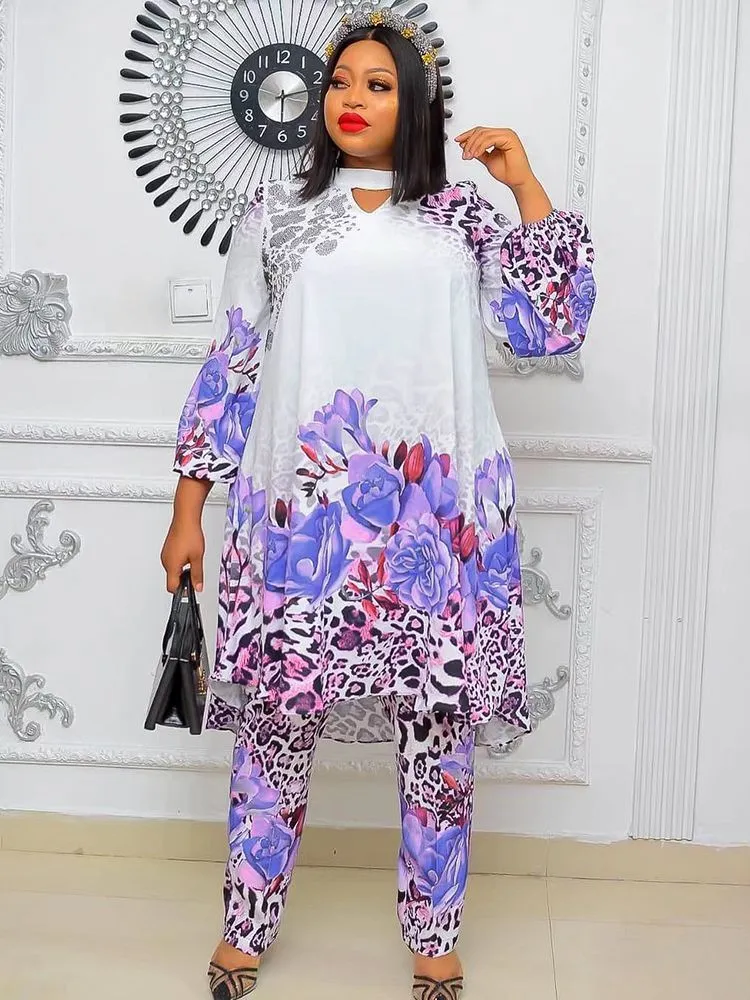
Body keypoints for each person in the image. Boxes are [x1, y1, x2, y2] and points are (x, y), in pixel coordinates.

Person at [161, 8, 596, 1000]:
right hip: (298, 522)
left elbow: (547, 329)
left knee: (439, 735)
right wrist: (188, 509)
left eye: (379, 84)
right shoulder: (276, 213)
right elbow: (233, 360)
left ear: (417, 101)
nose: (352, 99)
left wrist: (524, 184)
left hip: (440, 525)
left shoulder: (461, 216)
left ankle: (435, 937)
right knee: (275, 729)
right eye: (341, 82)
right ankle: (245, 928)